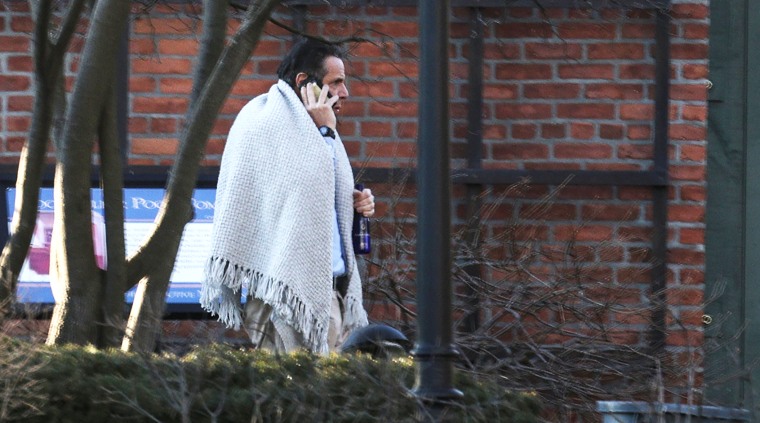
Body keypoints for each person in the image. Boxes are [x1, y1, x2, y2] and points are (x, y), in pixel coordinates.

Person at [201, 38, 374, 354]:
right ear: (304, 82)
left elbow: (306, 201)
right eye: (336, 82)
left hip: (328, 293)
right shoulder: (265, 122)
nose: (345, 93)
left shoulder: (315, 133)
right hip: (281, 298)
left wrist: (351, 205)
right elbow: (297, 188)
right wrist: (326, 132)